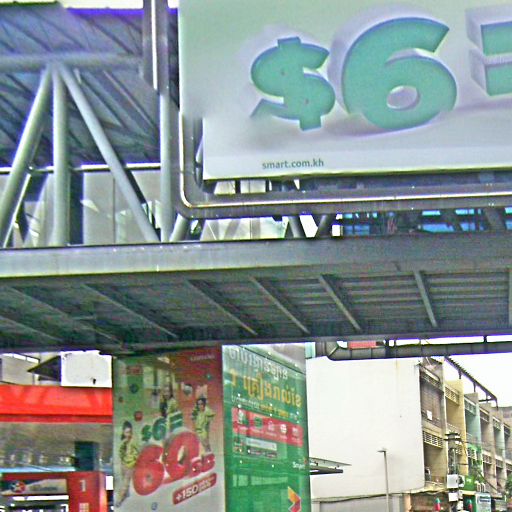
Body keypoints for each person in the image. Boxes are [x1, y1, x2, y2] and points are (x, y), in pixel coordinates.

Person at [116, 421, 139, 507]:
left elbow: (137, 452)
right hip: (124, 464)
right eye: (126, 432)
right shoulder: (124, 442)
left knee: (125, 482)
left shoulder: (133, 441)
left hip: (130, 464)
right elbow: (121, 452)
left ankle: (119, 500)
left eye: (129, 432)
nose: (128, 434)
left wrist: (133, 460)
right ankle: (126, 494)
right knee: (124, 480)